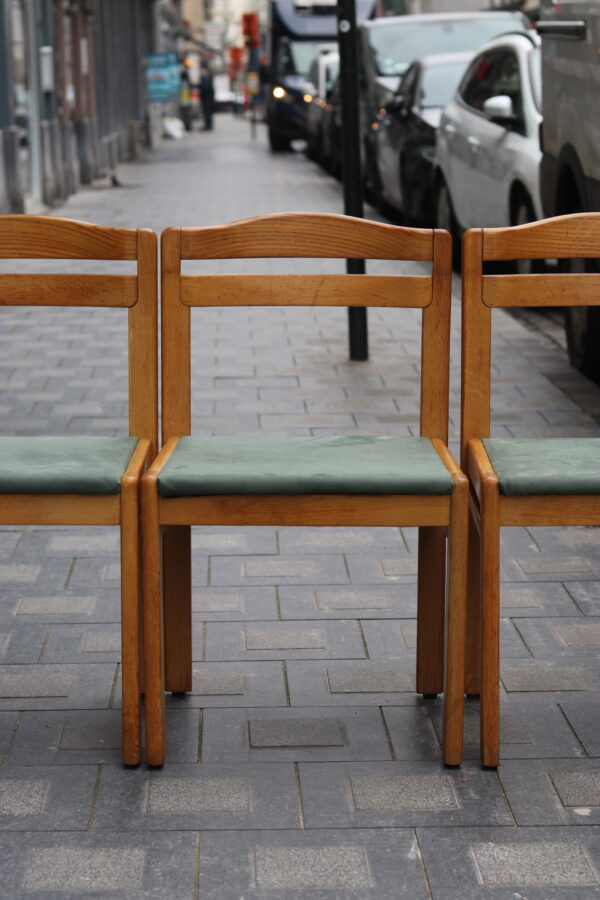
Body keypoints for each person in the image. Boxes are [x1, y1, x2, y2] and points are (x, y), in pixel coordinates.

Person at [199, 66, 215, 131]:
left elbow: (205, 88)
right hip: (208, 98)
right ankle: (208, 125)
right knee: (207, 113)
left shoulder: (206, 78)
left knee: (207, 113)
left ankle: (208, 126)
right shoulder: (207, 78)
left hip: (207, 99)